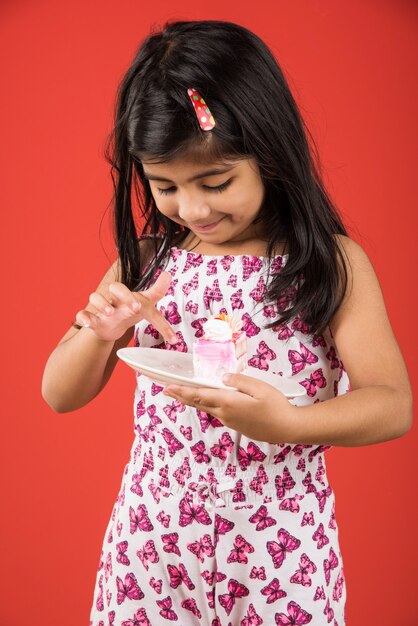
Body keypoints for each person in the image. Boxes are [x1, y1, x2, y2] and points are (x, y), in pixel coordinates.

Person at [42, 19, 412, 626]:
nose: (192, 208)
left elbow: (392, 404)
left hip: (280, 548)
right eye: (165, 186)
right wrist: (101, 332)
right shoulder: (146, 259)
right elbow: (58, 394)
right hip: (152, 545)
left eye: (215, 183)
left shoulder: (326, 262)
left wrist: (288, 423)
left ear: (268, 152)